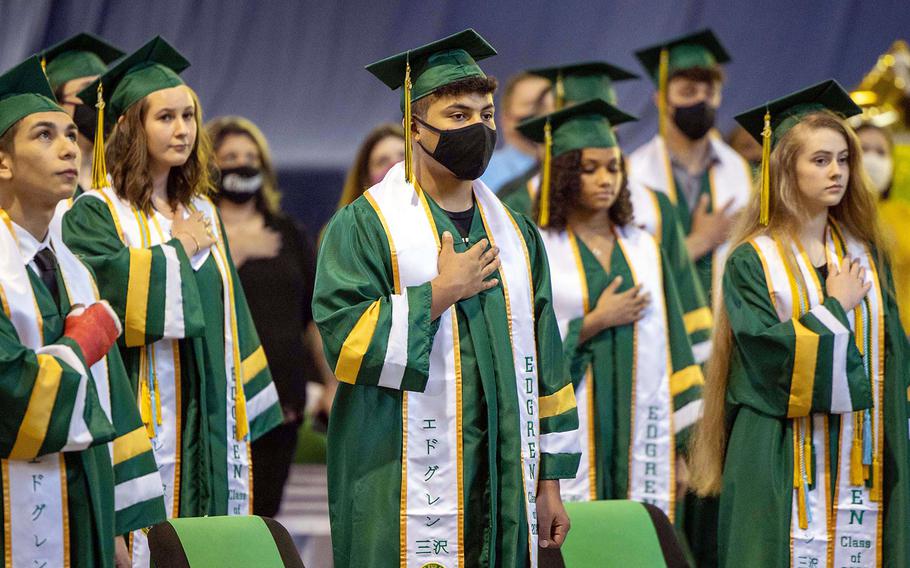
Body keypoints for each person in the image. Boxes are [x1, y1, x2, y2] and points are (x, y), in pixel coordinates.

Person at [314, 29, 580, 568]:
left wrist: (550, 482)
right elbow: (344, 343)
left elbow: (547, 361)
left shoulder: (517, 235)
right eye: (458, 116)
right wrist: (437, 294)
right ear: (416, 128)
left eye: (485, 116)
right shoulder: (365, 226)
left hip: (506, 474)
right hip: (398, 468)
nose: (478, 129)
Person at [61, 37, 282, 566]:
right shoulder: (95, 212)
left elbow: (233, 317)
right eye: (165, 117)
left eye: (188, 115)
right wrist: (179, 248)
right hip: (141, 415)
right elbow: (115, 306)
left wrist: (245, 404)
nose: (183, 129)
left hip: (209, 413)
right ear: (129, 127)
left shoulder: (202, 207)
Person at [691, 80, 910, 567]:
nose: (838, 172)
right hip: (777, 451)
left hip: (861, 450)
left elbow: (894, 361)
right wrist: (834, 308)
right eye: (820, 160)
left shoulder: (867, 256)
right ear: (785, 168)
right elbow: (766, 361)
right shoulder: (752, 260)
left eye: (843, 159)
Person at [0, 56, 164, 568]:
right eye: (44, 135)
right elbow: (7, 393)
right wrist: (82, 345)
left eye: (71, 134)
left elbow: (111, 401)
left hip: (85, 502)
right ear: (3, 162)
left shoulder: (73, 269)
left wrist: (115, 525)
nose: (69, 148)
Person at [519, 99, 703, 519]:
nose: (606, 179)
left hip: (644, 432)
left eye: (613, 167)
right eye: (590, 169)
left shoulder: (645, 248)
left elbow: (678, 348)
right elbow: (522, 348)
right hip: (570, 426)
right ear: (565, 174)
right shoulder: (540, 248)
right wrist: (595, 321)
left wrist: (681, 449)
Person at [207, 115, 334, 518]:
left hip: (281, 402)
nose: (242, 164)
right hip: (217, 401)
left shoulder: (287, 232)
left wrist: (331, 383)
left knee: (263, 516)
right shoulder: (194, 228)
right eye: (230, 156)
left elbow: (314, 317)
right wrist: (238, 253)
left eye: (251, 156)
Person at [629, 29, 751, 301]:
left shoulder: (742, 172)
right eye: (687, 92)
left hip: (725, 324)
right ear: (661, 100)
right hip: (659, 325)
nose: (701, 101)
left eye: (710, 92)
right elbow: (628, 268)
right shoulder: (632, 173)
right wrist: (701, 241)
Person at [41, 32, 124, 193]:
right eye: (87, 90)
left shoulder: (117, 182)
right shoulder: (40, 185)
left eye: (103, 90)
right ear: (56, 103)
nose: (99, 100)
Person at [856, 122, 910, 334]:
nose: (872, 158)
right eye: (863, 149)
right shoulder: (828, 215)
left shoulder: (903, 213)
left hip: (904, 335)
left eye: (881, 152)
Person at [478, 71, 551, 192]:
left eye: (549, 106)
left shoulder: (568, 170)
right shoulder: (482, 173)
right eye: (532, 105)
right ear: (506, 119)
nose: (544, 114)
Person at [337, 123, 405, 209]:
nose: (395, 166)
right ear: (365, 179)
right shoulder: (348, 221)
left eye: (404, 156)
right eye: (382, 161)